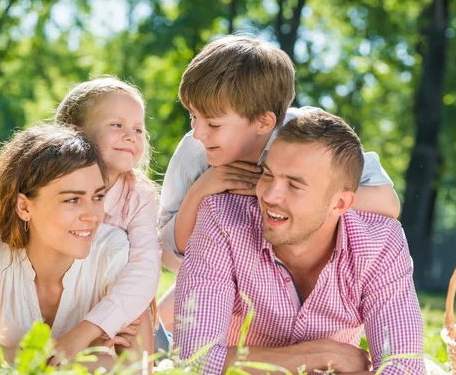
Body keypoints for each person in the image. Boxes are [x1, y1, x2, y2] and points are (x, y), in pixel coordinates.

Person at [158, 35, 401, 330]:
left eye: (213, 124)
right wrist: (201, 189)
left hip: (302, 273)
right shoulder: (194, 153)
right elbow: (177, 248)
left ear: (264, 122)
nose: (198, 133)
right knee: (167, 320)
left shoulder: (310, 137)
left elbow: (388, 203)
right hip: (222, 271)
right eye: (193, 117)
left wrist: (286, 190)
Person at [173, 111, 425, 375]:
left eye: (294, 185)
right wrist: (325, 354)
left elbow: (404, 366)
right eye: (268, 175)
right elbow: (195, 361)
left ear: (339, 203)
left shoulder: (380, 243)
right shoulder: (222, 219)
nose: (269, 195)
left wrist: (238, 363)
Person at [0, 77, 163, 359]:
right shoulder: (31, 193)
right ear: (76, 134)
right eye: (117, 125)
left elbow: (143, 273)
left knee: (136, 312)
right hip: (60, 319)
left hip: (113, 309)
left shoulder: (137, 197)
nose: (132, 136)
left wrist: (85, 334)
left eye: (139, 129)